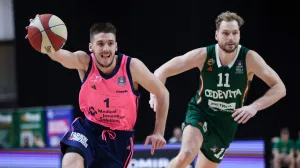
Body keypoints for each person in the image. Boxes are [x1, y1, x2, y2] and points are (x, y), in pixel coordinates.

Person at [25, 18, 169, 168]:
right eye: (100, 44)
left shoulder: (132, 67)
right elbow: (59, 55)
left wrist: (159, 132)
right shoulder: (85, 62)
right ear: (91, 47)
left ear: (116, 46)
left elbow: (162, 93)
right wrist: (40, 32)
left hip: (119, 140)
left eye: (110, 44)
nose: (106, 49)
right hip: (88, 130)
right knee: (71, 162)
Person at [149, 11, 286, 168]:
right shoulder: (204, 55)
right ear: (216, 35)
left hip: (225, 125)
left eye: (235, 33)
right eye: (226, 33)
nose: (231, 38)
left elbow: (280, 88)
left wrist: (254, 106)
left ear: (239, 35)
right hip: (201, 112)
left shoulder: (249, 58)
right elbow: (161, 71)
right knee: (185, 155)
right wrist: (154, 93)